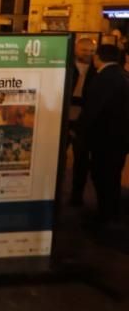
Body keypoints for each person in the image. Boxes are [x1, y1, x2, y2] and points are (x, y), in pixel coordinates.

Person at [77, 44, 129, 228]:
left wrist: (82, 132)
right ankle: (112, 212)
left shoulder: (104, 78)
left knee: (102, 176)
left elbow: (93, 110)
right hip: (120, 139)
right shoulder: (123, 76)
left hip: (104, 139)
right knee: (113, 176)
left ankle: (105, 214)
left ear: (98, 57)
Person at [67, 37, 97, 207]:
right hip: (66, 114)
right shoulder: (68, 65)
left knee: (81, 160)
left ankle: (76, 196)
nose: (88, 54)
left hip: (83, 119)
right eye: (85, 50)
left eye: (92, 51)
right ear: (77, 49)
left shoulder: (97, 69)